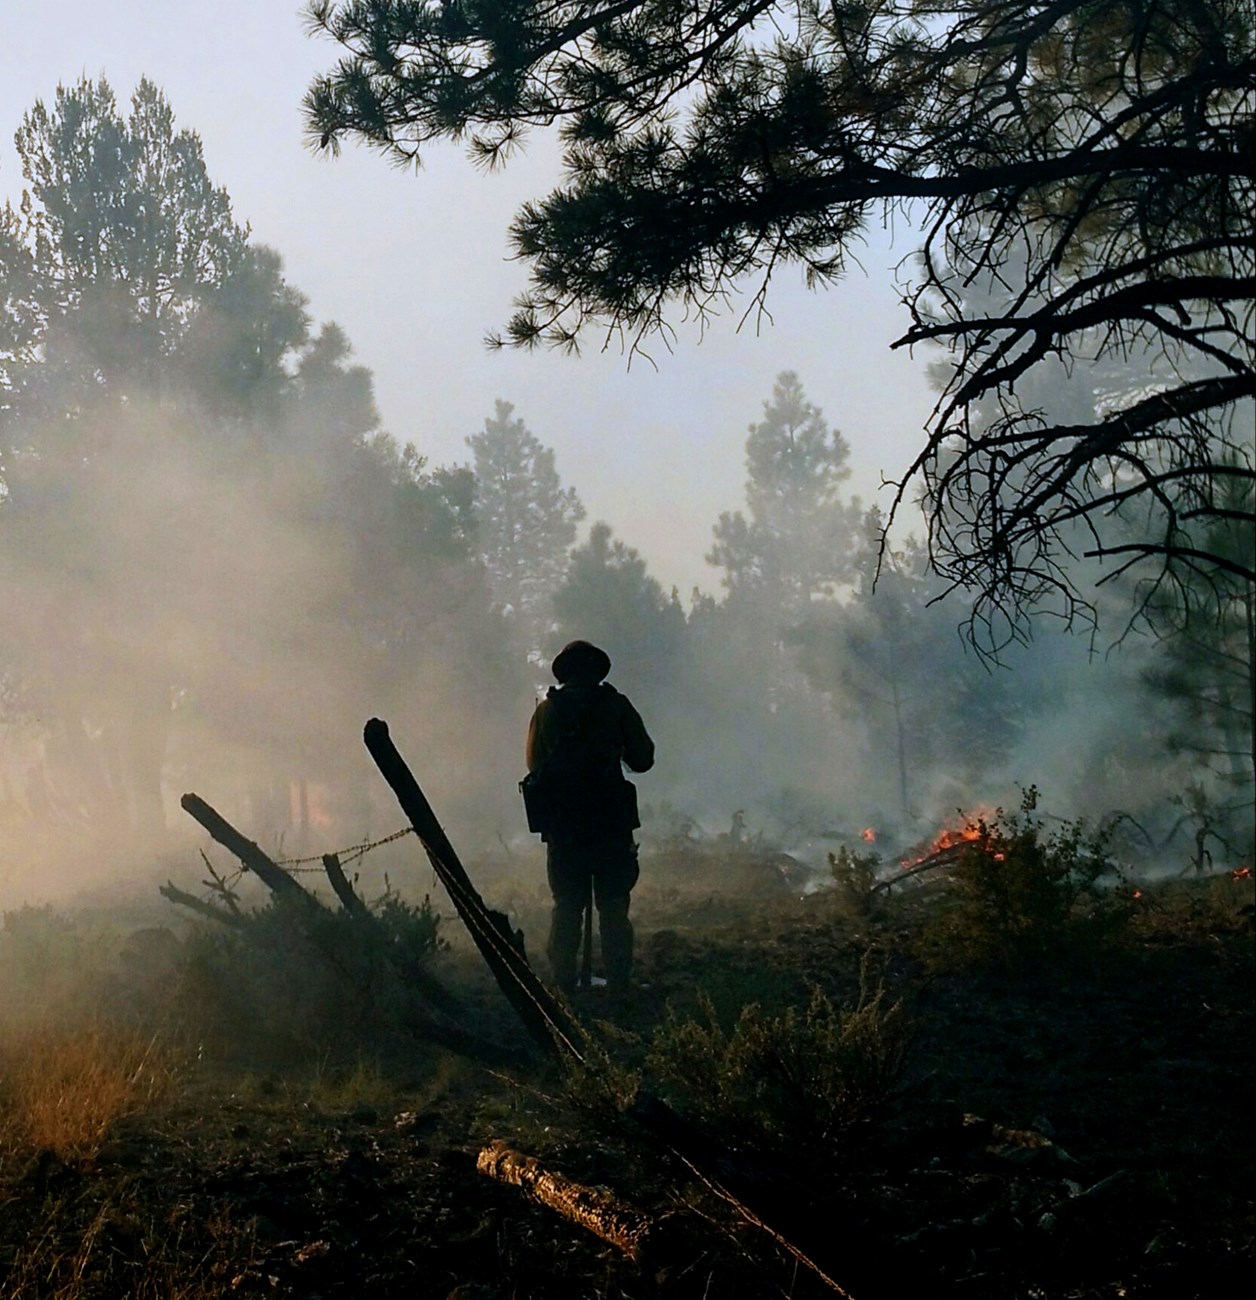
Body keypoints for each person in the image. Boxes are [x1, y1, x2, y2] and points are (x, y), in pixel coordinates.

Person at [525, 640, 654, 995]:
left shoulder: (546, 712)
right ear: (598, 671)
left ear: (563, 673)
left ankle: (564, 983)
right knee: (613, 906)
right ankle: (619, 984)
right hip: (611, 823)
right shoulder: (616, 705)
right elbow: (643, 758)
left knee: (567, 904)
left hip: (564, 826)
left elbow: (534, 765)